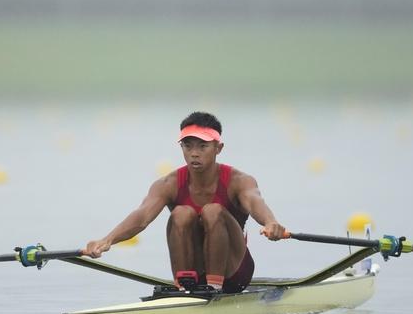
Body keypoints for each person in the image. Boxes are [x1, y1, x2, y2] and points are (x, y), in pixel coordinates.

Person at [84, 111, 286, 293]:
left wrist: (270, 222)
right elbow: (142, 216)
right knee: (181, 213)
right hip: (194, 273)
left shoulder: (239, 181)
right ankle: (184, 288)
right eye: (187, 146)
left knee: (213, 211)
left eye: (203, 146)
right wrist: (106, 240)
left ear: (219, 148)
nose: (194, 153)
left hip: (234, 272)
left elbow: (255, 201)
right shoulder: (168, 183)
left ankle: (213, 287)